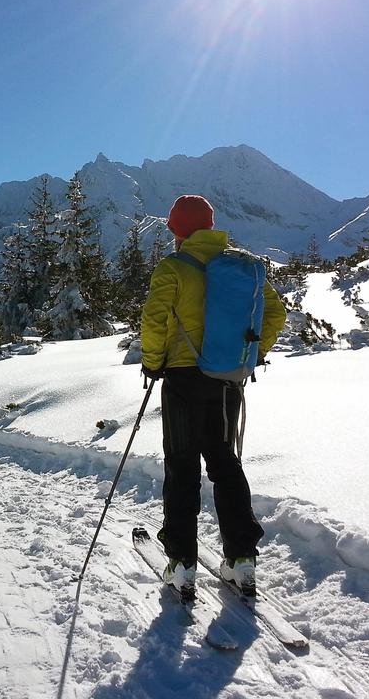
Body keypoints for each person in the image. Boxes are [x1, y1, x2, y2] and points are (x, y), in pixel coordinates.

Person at [140, 194, 286, 597]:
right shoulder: (241, 267)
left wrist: (153, 362)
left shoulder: (173, 267)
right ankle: (241, 559)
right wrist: (252, 355)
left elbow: (154, 318)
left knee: (182, 468)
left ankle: (182, 563)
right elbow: (275, 314)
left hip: (184, 379)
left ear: (178, 231)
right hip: (226, 379)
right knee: (225, 464)